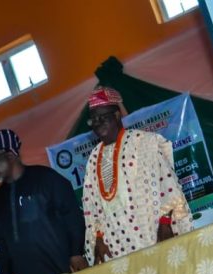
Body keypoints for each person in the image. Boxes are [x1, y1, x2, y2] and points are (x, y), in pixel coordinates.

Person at [81, 87, 193, 265]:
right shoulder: (93, 159)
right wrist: (99, 238)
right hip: (116, 243)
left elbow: (168, 185)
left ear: (117, 115)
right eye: (93, 119)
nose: (97, 123)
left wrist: (165, 223)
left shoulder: (144, 142)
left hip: (152, 231)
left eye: (102, 117)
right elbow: (92, 204)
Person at [0, 129, 87, 274]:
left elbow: (72, 216)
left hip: (64, 272)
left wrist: (76, 252)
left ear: (10, 155)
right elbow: (1, 242)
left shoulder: (46, 179)